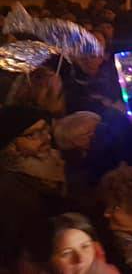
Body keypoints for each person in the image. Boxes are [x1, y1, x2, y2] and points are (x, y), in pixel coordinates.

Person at [0, 107, 67, 268]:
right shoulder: (10, 187)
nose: (46, 138)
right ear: (11, 144)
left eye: (45, 130)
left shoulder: (53, 163)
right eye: (32, 134)